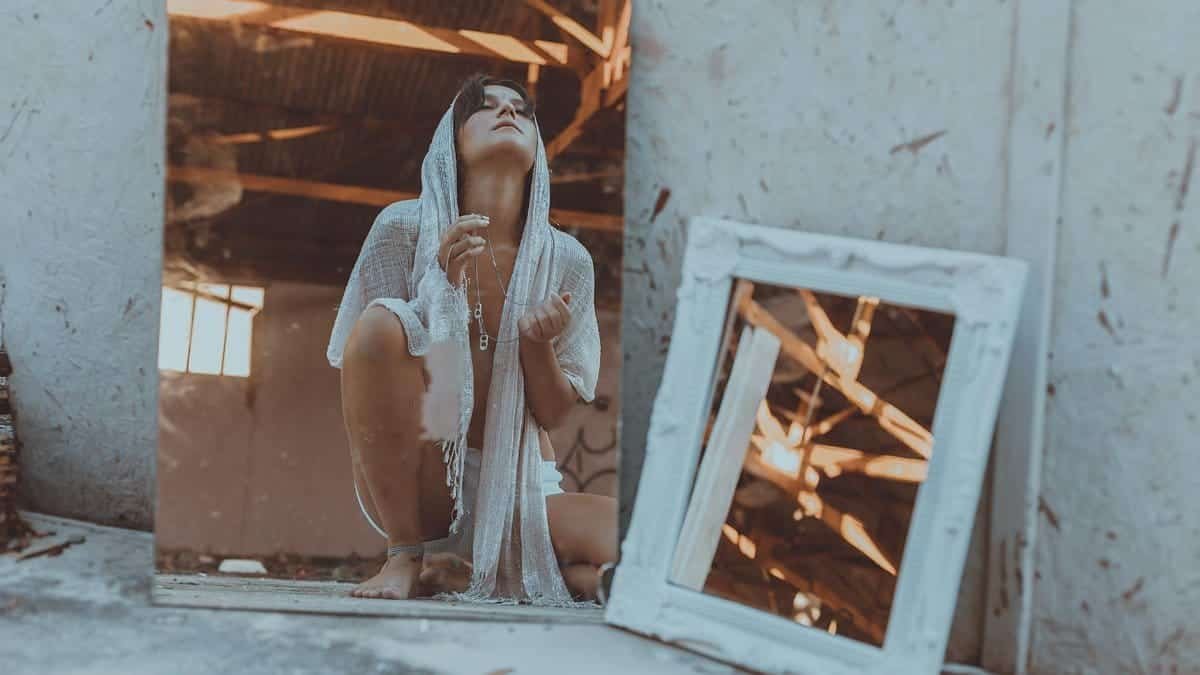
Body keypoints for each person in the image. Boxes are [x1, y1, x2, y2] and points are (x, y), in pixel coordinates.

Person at [327, 74, 616, 605]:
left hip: (523, 482)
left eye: (520, 110)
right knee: (380, 321)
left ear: (537, 149)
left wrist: (536, 343)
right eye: (485, 109)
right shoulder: (405, 229)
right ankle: (406, 556)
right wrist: (440, 288)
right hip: (426, 476)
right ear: (452, 142)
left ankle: (496, 574)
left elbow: (553, 414)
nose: (507, 113)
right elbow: (368, 357)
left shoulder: (567, 260)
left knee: (636, 543)